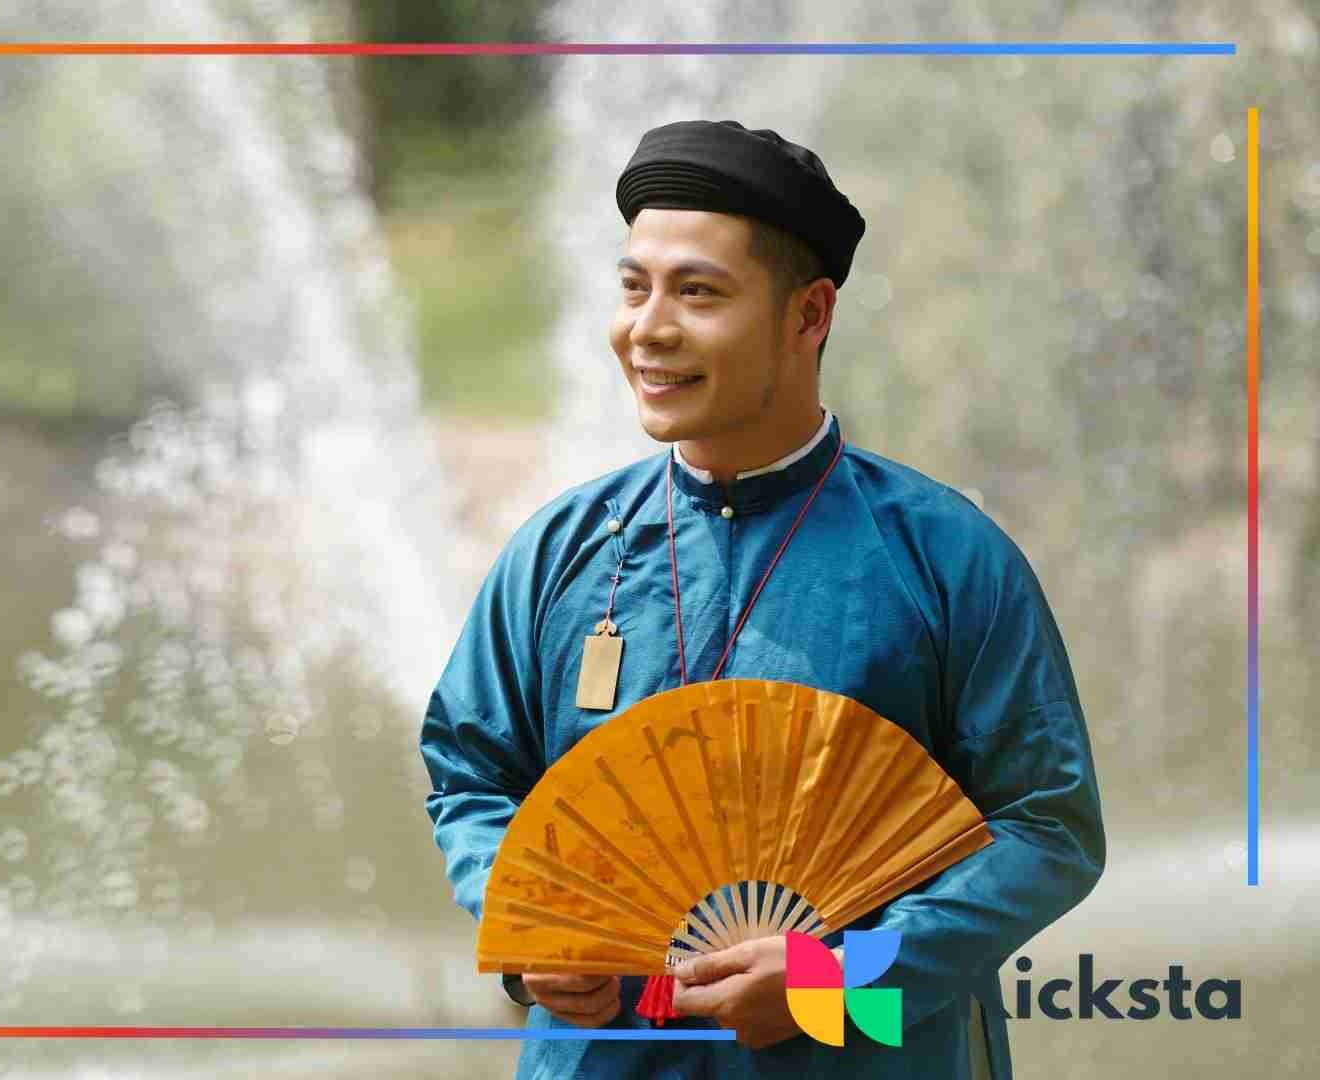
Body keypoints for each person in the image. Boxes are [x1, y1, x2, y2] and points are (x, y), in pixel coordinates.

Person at [419, 120, 1106, 1079]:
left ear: (809, 315)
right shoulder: (557, 551)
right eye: (633, 287)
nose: (648, 329)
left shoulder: (947, 556)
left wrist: (846, 967)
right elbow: (470, 772)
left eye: (697, 292)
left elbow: (1048, 827)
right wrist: (531, 923)